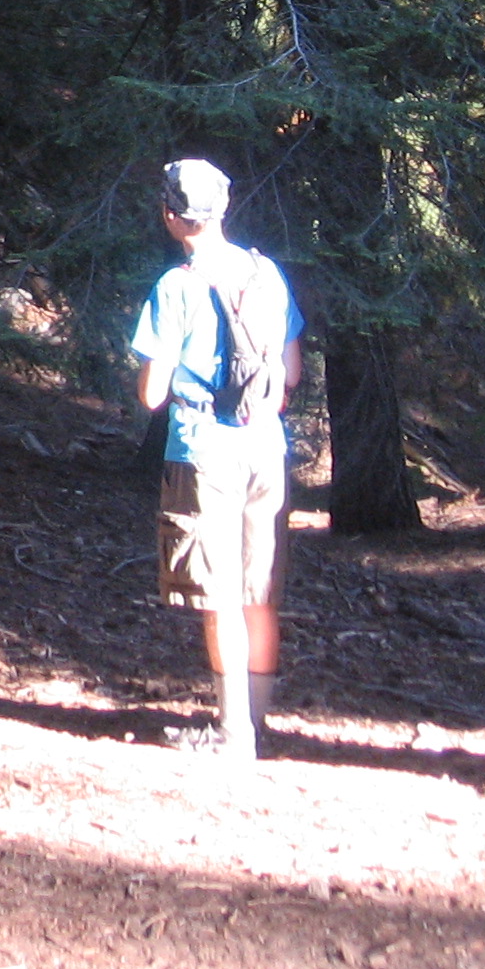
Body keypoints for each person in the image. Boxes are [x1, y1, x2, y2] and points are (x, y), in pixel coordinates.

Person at [131, 158, 304, 762]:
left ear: (170, 216)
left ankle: (232, 734)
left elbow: (152, 395)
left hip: (203, 454)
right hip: (266, 448)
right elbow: (291, 375)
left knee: (218, 594)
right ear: (224, 209)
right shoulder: (267, 274)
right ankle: (255, 722)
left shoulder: (175, 285)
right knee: (260, 591)